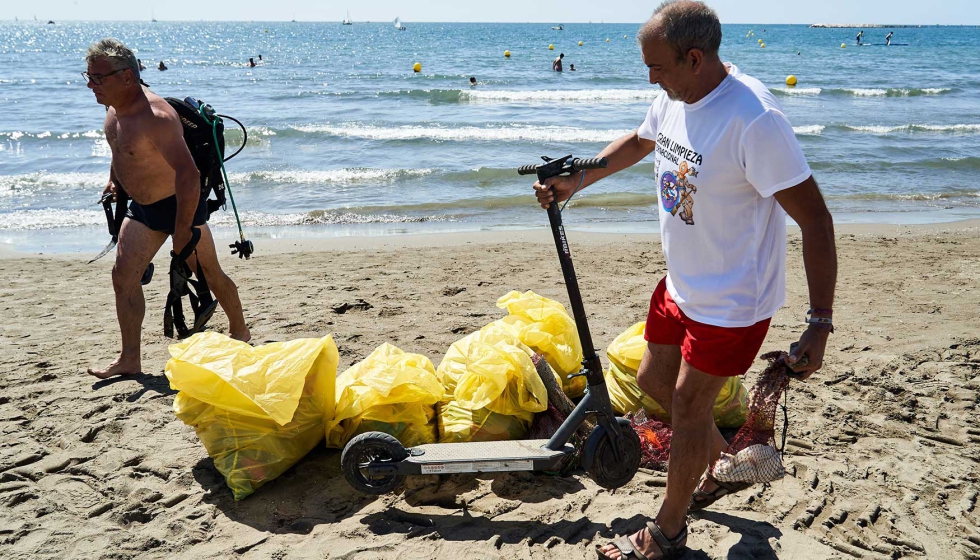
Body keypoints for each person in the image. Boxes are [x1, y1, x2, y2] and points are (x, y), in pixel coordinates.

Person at [531, 2, 837, 558]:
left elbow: (816, 219)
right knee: (653, 382)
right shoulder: (677, 95)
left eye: (657, 67)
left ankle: (667, 530)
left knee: (689, 406)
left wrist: (819, 323)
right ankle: (725, 463)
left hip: (733, 300)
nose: (650, 77)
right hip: (681, 282)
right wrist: (580, 179)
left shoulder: (754, 120)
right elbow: (643, 140)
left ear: (695, 58)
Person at [83, 38, 250, 379]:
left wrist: (183, 229)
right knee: (123, 278)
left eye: (98, 78)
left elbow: (188, 175)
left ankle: (241, 333)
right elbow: (120, 148)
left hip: (177, 205)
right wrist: (115, 179)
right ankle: (130, 359)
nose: (90, 84)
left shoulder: (157, 117)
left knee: (210, 274)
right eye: (88, 76)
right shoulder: (113, 107)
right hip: (141, 209)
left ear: (127, 76)